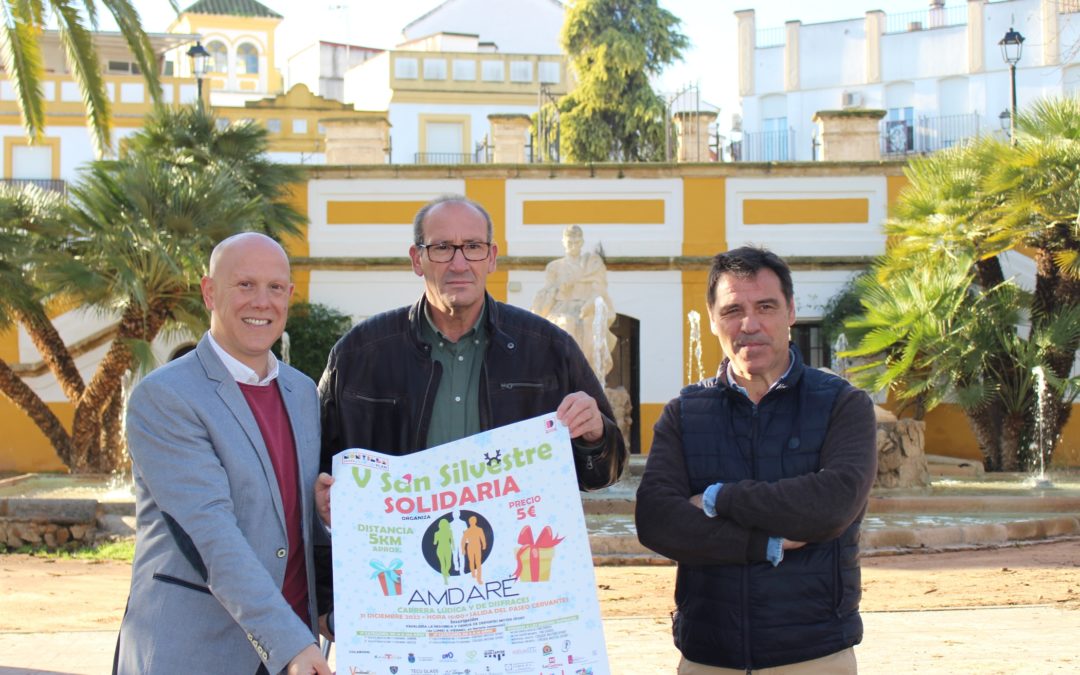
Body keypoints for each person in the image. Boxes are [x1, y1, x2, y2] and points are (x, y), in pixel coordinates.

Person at [635, 246, 877, 674]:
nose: (749, 325)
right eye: (732, 310)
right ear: (712, 320)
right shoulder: (685, 413)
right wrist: (761, 544)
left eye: (766, 306)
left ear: (791, 312)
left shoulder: (843, 404)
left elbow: (831, 505)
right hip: (709, 658)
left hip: (814, 655)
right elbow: (656, 519)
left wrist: (716, 498)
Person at [115, 233, 330, 675]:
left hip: (296, 651)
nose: (262, 302)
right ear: (209, 292)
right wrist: (288, 642)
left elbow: (294, 521)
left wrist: (323, 511)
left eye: (275, 288)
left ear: (289, 295)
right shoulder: (166, 397)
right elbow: (211, 533)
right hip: (196, 652)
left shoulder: (302, 391)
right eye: (244, 285)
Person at [318, 194, 626, 485]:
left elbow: (606, 470)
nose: (459, 263)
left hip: (511, 541)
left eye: (473, 246)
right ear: (417, 259)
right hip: (397, 540)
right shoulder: (356, 356)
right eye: (442, 248)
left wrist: (595, 438)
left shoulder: (550, 349)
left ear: (491, 258)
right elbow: (315, 466)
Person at [531, 224, 617, 380]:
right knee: (566, 324)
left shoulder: (593, 264)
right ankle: (565, 375)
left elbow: (600, 290)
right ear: (563, 241)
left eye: (577, 242)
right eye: (570, 242)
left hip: (587, 308)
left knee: (592, 329)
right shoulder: (555, 267)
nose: (573, 245)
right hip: (561, 309)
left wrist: (589, 304)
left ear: (582, 242)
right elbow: (545, 295)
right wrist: (559, 287)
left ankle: (590, 377)